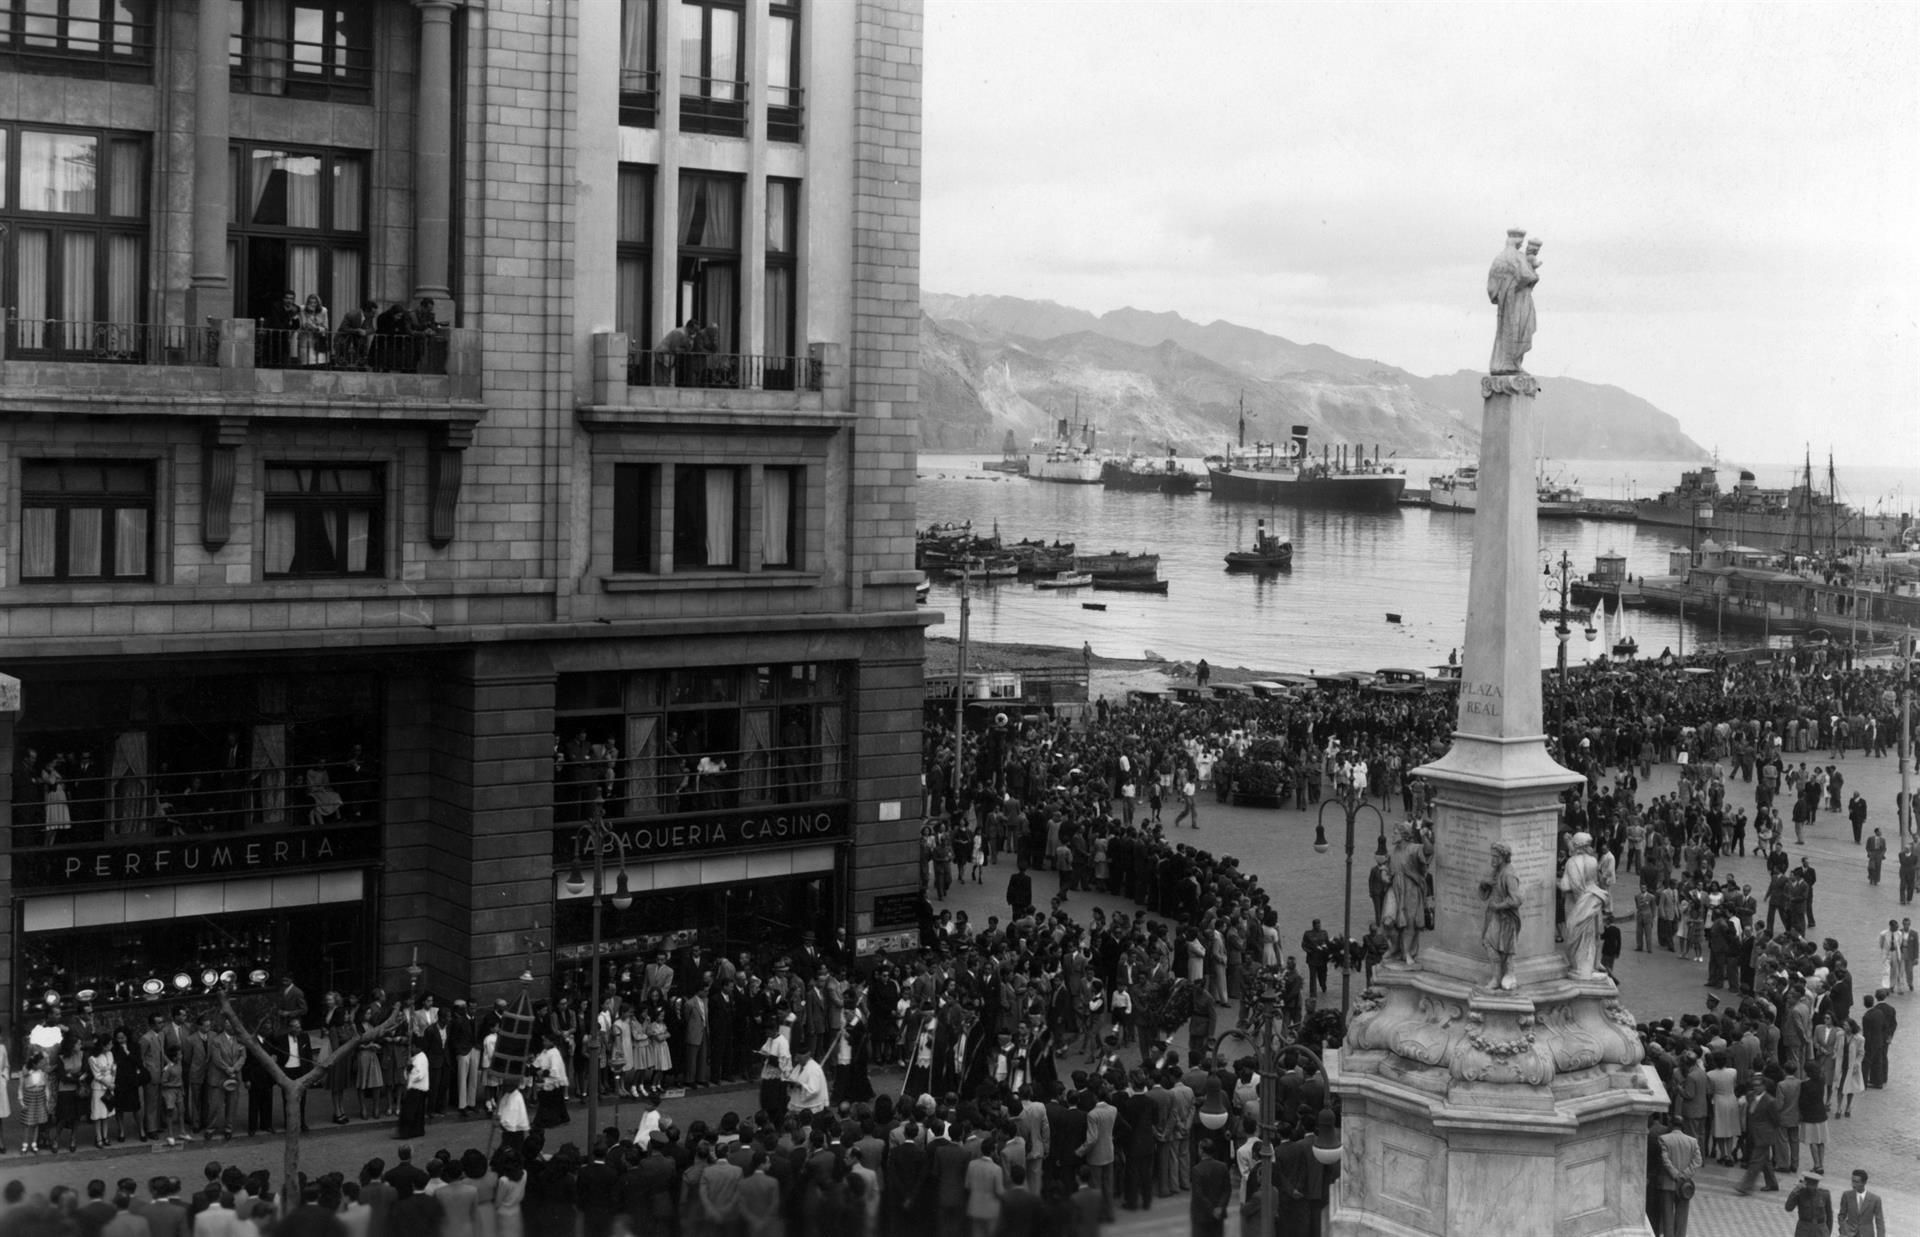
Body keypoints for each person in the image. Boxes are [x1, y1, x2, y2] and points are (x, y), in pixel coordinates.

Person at [1559, 831, 1611, 979]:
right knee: (1591, 935)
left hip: (1579, 902)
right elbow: (1593, 882)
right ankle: (1591, 965)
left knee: (1578, 935)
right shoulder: (1592, 861)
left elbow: (1575, 887)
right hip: (1592, 899)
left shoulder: (1572, 862)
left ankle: (1581, 968)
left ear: (1576, 846)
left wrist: (1561, 884)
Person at [1479, 842, 1523, 990]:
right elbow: (1483, 896)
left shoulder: (1508, 874)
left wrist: (1499, 906)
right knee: (1490, 944)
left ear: (1504, 857)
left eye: (1496, 856)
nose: (1493, 859)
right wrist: (1484, 885)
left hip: (1505, 917)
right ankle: (1497, 978)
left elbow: (1517, 899)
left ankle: (1502, 977)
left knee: (1500, 947)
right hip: (1494, 915)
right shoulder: (1496, 872)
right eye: (1492, 856)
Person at [1837, 1169, 1885, 1237]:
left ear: (1864, 1183)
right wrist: (1844, 1230)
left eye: (1856, 1182)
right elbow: (1841, 1216)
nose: (1853, 1184)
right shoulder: (1846, 1195)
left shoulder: (1875, 1200)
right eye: (1852, 1181)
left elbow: (1879, 1222)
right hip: (1848, 1234)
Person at [1784, 1170, 1832, 1237]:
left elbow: (1829, 1216)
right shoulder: (1800, 1193)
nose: (1812, 1188)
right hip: (1804, 1229)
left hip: (1820, 1230)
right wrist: (1795, 1191)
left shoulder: (1824, 1194)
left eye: (1814, 1185)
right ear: (1805, 1183)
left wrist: (1828, 1233)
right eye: (1810, 1185)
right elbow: (1788, 1208)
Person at [295, 293, 330, 366]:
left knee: (320, 364)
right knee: (306, 365)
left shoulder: (323, 311)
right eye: (310, 302)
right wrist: (309, 315)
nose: (312, 304)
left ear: (318, 303)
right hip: (305, 342)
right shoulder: (302, 309)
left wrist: (317, 328)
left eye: (315, 302)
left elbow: (326, 328)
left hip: (319, 343)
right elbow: (303, 325)